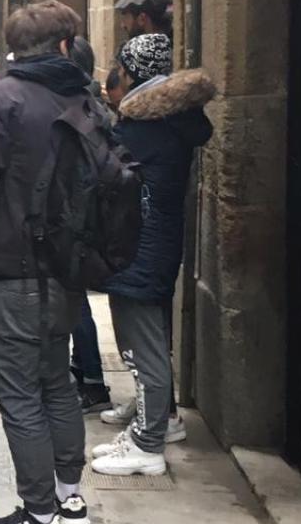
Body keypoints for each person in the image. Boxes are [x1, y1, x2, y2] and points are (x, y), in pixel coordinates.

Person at [0, 0, 94, 524]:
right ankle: (69, 497)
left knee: (19, 394)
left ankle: (38, 515)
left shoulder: (1, 98)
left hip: (10, 271)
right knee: (56, 381)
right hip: (64, 272)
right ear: (62, 45)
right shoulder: (82, 96)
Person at [90, 34, 215, 476]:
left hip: (139, 246)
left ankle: (147, 444)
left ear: (132, 74)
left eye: (119, 70)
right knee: (150, 344)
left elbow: (106, 175)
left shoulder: (144, 128)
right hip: (154, 244)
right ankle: (158, 421)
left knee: (142, 349)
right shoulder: (168, 122)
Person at [63, 36, 112, 415]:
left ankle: (93, 381)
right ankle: (84, 371)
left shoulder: (82, 107)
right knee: (75, 303)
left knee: (75, 303)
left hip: (77, 222)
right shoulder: (93, 104)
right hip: (83, 219)